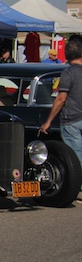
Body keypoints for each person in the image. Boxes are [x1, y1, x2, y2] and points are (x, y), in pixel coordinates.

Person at [41, 37, 82, 167]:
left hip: (71, 119)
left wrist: (48, 122)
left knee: (75, 155)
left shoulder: (68, 73)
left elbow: (61, 98)